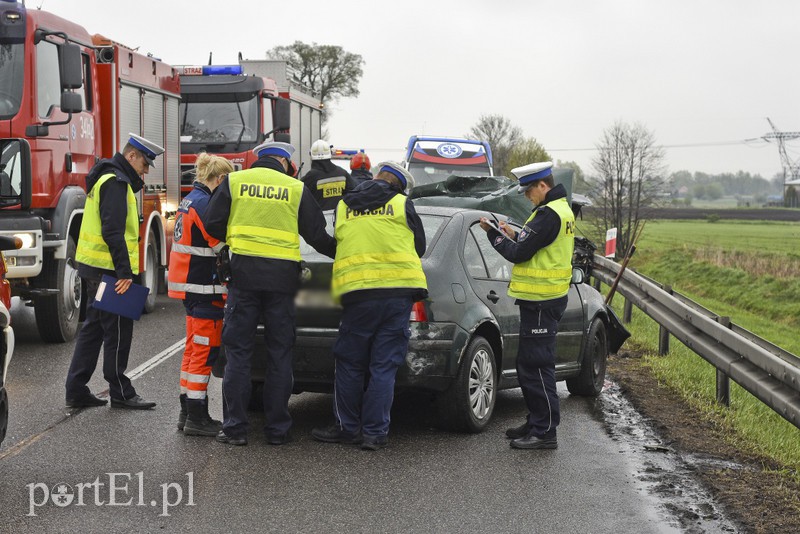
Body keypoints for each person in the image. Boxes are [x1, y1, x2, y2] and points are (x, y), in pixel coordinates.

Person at [204, 141, 336, 446]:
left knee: (238, 355)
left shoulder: (235, 182)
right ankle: (277, 430)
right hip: (282, 283)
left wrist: (238, 237)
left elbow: (212, 222)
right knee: (280, 355)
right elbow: (317, 236)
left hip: (243, 279)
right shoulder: (295, 188)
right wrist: (345, 253)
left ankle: (235, 429)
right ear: (284, 162)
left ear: (258, 159)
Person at [311, 161, 427, 451]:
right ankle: (375, 433)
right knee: (383, 366)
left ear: (376, 177)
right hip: (397, 295)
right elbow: (420, 247)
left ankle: (347, 428)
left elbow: (338, 241)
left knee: (350, 363)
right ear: (399, 185)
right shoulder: (402, 204)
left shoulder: (343, 205)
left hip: (358, 294)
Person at [479, 161, 574, 449]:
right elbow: (536, 247)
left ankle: (545, 431)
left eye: (528, 190)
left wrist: (492, 234)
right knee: (528, 364)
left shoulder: (548, 214)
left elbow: (520, 254)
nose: (525, 196)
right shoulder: (558, 210)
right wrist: (511, 234)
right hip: (543, 299)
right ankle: (536, 421)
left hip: (543, 301)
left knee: (537, 365)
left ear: (543, 186)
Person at [65, 134, 163, 410]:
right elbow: (112, 231)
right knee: (119, 328)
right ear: (131, 156)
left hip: (96, 266)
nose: (145, 171)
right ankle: (120, 390)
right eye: (144, 164)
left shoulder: (108, 178)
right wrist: (123, 273)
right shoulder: (116, 182)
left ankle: (76, 388)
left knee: (94, 328)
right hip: (108, 269)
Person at [168, 153, 234, 436]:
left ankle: (187, 411)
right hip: (204, 288)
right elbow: (218, 242)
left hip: (189, 288)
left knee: (194, 348)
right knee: (205, 352)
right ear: (219, 179)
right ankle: (197, 416)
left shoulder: (190, 200)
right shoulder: (207, 203)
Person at [301, 139, 357, 210]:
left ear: (311, 155)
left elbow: (299, 196)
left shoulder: (310, 176)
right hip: (339, 218)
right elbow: (354, 193)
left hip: (319, 219)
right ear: (330, 153)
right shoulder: (342, 173)